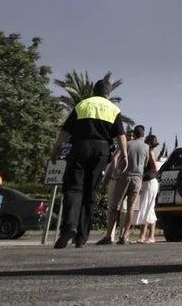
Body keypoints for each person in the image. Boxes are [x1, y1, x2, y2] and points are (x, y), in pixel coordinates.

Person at [52, 79, 128, 249]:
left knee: (73, 188)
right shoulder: (113, 109)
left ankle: (69, 226)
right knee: (90, 192)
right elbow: (120, 134)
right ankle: (81, 237)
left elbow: (65, 130)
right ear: (108, 93)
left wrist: (56, 148)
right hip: (101, 150)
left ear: (94, 91)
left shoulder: (82, 104)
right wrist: (124, 154)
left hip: (80, 147)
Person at [97, 125, 148, 244]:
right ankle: (125, 235)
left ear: (133, 134)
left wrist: (115, 173)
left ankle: (109, 236)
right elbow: (145, 163)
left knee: (115, 206)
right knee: (131, 208)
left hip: (124, 176)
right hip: (138, 178)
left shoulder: (127, 145)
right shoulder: (146, 147)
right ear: (143, 135)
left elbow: (115, 158)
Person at [129, 134, 160, 243]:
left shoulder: (150, 152)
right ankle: (143, 236)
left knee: (148, 207)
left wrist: (142, 174)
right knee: (145, 208)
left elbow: (154, 168)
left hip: (150, 182)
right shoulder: (148, 151)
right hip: (147, 182)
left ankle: (150, 236)